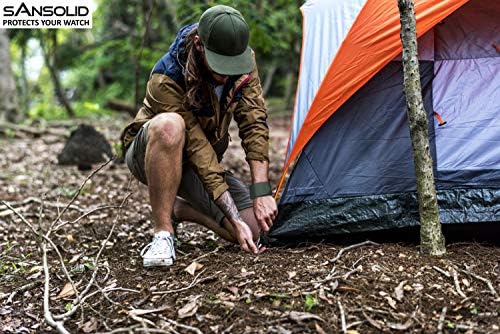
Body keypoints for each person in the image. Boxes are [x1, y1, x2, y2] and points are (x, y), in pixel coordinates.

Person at [121, 5, 278, 267]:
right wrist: (232, 216)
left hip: (195, 165)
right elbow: (197, 148)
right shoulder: (166, 78)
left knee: (256, 231)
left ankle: (179, 209)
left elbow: (254, 122)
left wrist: (261, 192)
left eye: (233, 65)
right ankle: (163, 232)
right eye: (221, 66)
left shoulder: (242, 61)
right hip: (151, 152)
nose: (227, 73)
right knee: (170, 125)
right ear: (199, 45)